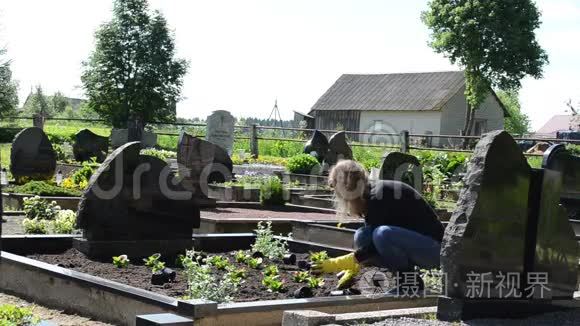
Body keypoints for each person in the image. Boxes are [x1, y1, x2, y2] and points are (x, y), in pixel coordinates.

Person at [312, 160, 444, 291]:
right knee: (363, 235)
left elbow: (375, 245)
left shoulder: (380, 195)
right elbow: (368, 244)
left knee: (383, 234)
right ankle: (407, 281)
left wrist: (339, 263)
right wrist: (352, 268)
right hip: (418, 245)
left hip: (436, 251)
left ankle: (409, 284)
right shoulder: (370, 196)